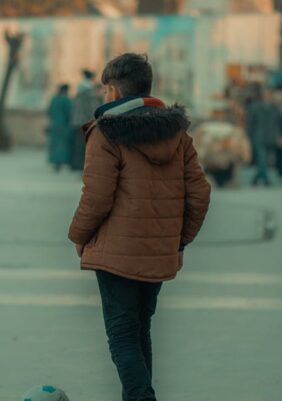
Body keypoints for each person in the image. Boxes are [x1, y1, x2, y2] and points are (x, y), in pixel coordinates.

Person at [68, 53, 211, 401]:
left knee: (121, 335)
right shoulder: (176, 133)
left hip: (116, 256)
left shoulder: (106, 133)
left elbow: (97, 196)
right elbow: (200, 194)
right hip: (157, 255)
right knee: (140, 329)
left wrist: (77, 235)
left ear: (115, 91)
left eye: (105, 90)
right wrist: (177, 241)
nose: (103, 96)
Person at [246, 88, 282, 186]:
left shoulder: (275, 109)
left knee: (265, 159)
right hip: (258, 137)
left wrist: (278, 135)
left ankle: (256, 178)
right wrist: (249, 136)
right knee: (262, 157)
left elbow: (279, 123)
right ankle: (266, 180)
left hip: (270, 137)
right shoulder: (255, 107)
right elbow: (250, 123)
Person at [71, 69, 102, 171]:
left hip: (77, 122)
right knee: (87, 147)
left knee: (78, 145)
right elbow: (93, 111)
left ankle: (78, 167)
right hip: (87, 123)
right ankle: (84, 168)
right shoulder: (90, 93)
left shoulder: (79, 92)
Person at [46, 84, 73, 172]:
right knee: (63, 144)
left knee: (55, 144)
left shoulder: (54, 99)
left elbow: (49, 111)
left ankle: (55, 162)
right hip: (64, 125)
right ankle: (60, 162)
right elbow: (69, 112)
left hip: (54, 124)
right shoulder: (67, 100)